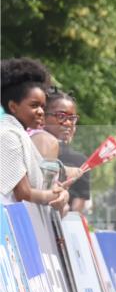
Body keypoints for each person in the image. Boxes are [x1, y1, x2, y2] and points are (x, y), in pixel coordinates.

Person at [0, 58, 68, 209]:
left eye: (43, 106)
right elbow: (24, 194)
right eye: (34, 105)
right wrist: (57, 195)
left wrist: (60, 193)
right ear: (13, 106)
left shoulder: (18, 135)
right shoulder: (7, 136)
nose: (41, 112)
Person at [39, 88, 89, 213]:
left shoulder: (80, 162)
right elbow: (77, 209)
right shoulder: (30, 144)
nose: (67, 123)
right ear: (42, 115)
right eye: (61, 116)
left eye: (72, 118)